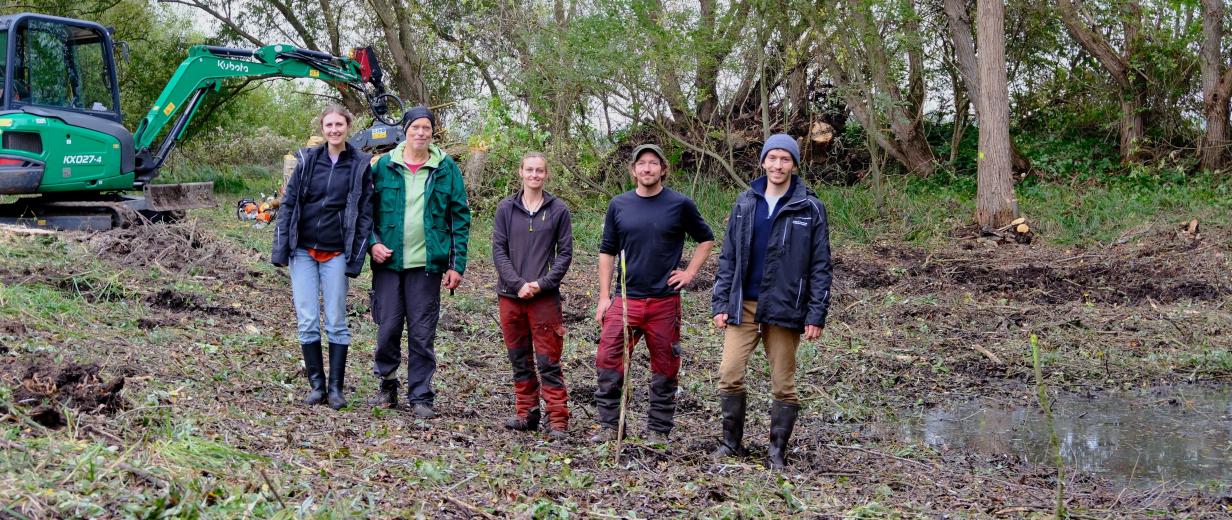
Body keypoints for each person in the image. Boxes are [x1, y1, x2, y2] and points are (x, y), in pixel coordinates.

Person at [710, 134, 833, 469]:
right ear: (763, 161)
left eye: (785, 159)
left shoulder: (810, 207)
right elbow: (729, 256)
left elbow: (820, 263)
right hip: (744, 304)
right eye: (773, 158)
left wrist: (816, 313)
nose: (778, 165)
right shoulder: (746, 202)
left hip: (785, 307)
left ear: (793, 164)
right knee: (729, 373)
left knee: (783, 383)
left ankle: (776, 451)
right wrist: (721, 302)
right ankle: (730, 443)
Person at [591, 143, 714, 444]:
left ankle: (658, 431)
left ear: (662, 169)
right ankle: (609, 426)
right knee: (608, 360)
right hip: (625, 299)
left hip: (663, 301)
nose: (647, 168)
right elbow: (607, 252)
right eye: (641, 164)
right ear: (633, 171)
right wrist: (604, 296)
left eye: (653, 163)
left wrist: (689, 273)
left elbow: (706, 239)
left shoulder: (680, 204)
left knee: (665, 366)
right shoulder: (619, 205)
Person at [367, 106, 471, 418]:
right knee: (387, 327)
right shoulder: (383, 166)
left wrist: (456, 263)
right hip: (388, 263)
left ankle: (421, 395)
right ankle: (387, 384)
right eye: (415, 128)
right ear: (405, 130)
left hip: (428, 264)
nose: (421, 133)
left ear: (432, 132)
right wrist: (373, 244)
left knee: (422, 332)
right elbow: (364, 213)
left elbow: (460, 217)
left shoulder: (445, 168)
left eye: (426, 128)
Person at [271, 104, 374, 411]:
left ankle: (336, 388)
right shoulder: (308, 160)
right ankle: (317, 386)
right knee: (307, 319)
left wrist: (356, 256)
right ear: (322, 128)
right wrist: (280, 249)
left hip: (335, 251)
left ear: (348, 127)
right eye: (328, 125)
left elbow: (365, 212)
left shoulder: (359, 164)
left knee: (337, 320)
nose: (334, 130)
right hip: (302, 250)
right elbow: (289, 204)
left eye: (339, 125)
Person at [491, 152, 574, 439]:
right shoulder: (505, 208)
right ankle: (527, 413)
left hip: (544, 298)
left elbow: (564, 255)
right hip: (510, 296)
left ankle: (557, 419)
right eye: (530, 170)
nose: (534, 175)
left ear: (546, 174)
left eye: (540, 170)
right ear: (521, 172)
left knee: (548, 360)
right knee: (519, 357)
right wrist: (517, 284)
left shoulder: (558, 210)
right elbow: (499, 252)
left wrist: (542, 284)